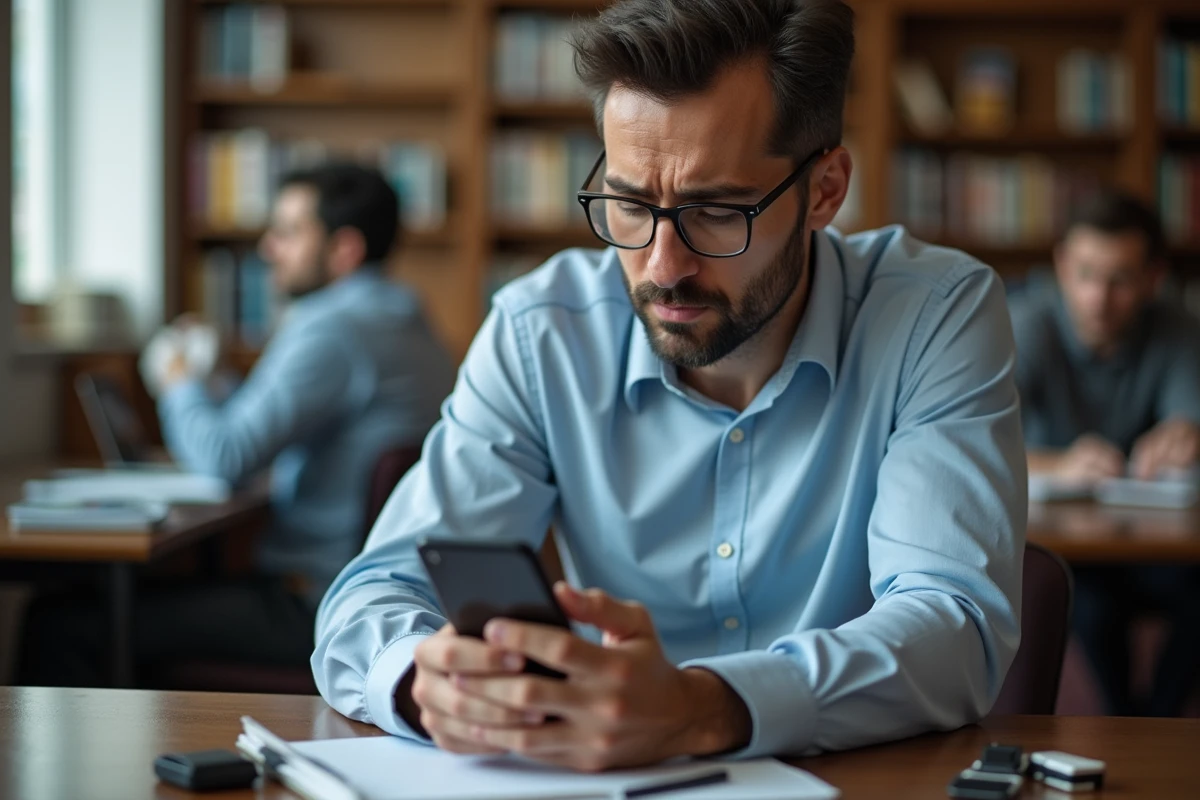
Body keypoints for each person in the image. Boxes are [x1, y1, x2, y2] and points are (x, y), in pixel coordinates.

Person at [313, 0, 1025, 768]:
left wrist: (702, 709)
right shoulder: (541, 333)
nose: (662, 267)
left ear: (824, 190)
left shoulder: (933, 315)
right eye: (628, 204)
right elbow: (371, 597)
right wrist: (426, 682)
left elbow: (956, 626)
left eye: (716, 211)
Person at [18, 163, 456, 686]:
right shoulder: (408, 321)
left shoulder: (330, 329)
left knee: (59, 622)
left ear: (345, 249)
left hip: (315, 603)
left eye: (289, 232)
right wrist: (214, 381)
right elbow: (270, 432)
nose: (269, 248)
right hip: (386, 598)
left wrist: (178, 380)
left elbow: (223, 457)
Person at [1009, 188, 1200, 716]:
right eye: (1086, 273)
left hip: (1152, 547)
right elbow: (974, 440)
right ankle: (1128, 720)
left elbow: (1189, 420)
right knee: (1084, 601)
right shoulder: (1024, 324)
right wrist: (1059, 464)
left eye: (1119, 280)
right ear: (1061, 265)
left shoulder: (1178, 328)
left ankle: (1156, 720)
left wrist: (1185, 435)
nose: (1098, 298)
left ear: (1153, 279)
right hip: (1070, 549)